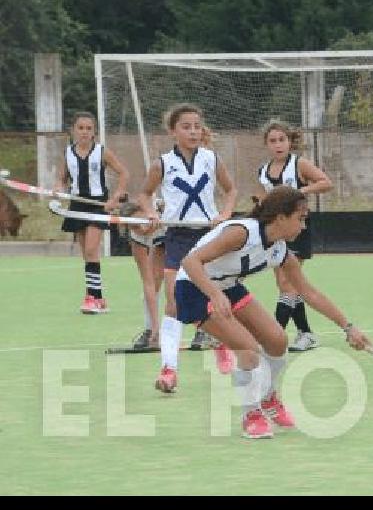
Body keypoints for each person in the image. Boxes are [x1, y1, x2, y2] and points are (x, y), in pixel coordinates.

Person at [177, 185, 371, 438]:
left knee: (278, 340)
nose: (303, 226)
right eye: (299, 219)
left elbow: (309, 293)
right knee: (248, 349)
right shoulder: (241, 233)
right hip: (194, 286)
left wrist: (348, 327)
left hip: (228, 287)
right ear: (280, 217)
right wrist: (214, 294)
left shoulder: (280, 251)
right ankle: (251, 414)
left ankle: (267, 397)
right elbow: (190, 261)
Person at [137, 104, 237, 392]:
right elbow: (144, 194)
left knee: (217, 294)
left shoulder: (211, 159)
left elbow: (230, 191)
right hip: (178, 237)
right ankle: (169, 369)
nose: (193, 131)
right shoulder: (162, 164)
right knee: (174, 302)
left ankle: (222, 341)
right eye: (186, 126)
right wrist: (151, 212)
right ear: (173, 131)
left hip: (209, 237)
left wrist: (225, 214)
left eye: (197, 126)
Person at [255, 121, 332, 352]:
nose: (278, 145)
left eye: (282, 140)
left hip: (298, 230)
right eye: (273, 141)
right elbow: (262, 200)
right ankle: (306, 333)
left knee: (288, 284)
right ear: (266, 144)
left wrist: (300, 192)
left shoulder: (299, 164)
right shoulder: (263, 171)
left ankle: (273, 335)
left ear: (290, 141)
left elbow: (326, 182)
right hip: (277, 233)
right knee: (284, 283)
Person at [55, 111, 129, 314]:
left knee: (91, 249)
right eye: (81, 128)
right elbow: (62, 179)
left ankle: (93, 297)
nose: (85, 132)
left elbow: (123, 173)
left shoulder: (102, 152)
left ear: (94, 131)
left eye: (89, 128)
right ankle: (98, 298)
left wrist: (115, 198)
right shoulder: (68, 153)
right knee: (87, 255)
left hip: (98, 205)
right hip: (77, 204)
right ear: (73, 130)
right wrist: (59, 189)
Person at [118, 199, 166, 349]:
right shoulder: (136, 236)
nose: (140, 228)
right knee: (151, 284)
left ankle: (202, 331)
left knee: (178, 284)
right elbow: (148, 283)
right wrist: (155, 326)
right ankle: (151, 329)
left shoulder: (162, 208)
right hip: (155, 240)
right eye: (133, 226)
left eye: (141, 221)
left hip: (170, 234)